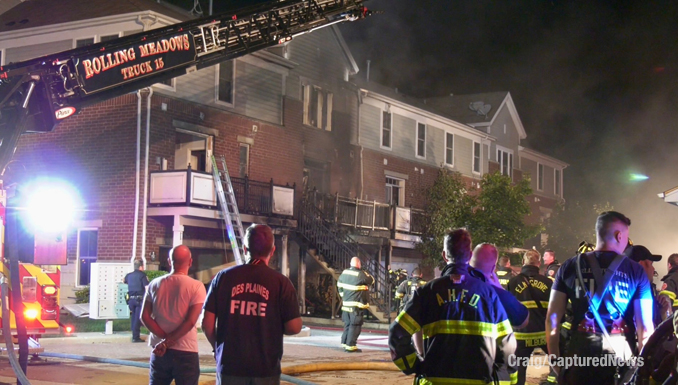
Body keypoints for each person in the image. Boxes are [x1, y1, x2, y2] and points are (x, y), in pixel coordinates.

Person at [389, 228, 517, 384]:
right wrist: (503, 378)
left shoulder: (427, 292)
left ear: (444, 255)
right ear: (470, 256)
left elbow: (397, 333)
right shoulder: (489, 294)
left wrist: (414, 365)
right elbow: (508, 344)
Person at [546, 211, 654, 385]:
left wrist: (555, 362)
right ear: (619, 236)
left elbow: (552, 319)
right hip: (621, 355)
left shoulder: (570, 266)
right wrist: (641, 366)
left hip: (580, 355)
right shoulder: (636, 271)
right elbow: (646, 328)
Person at [202, 224, 302, 384]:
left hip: (230, 367)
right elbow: (294, 327)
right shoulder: (281, 283)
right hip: (266, 369)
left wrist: (217, 349)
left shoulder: (222, 278)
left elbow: (207, 325)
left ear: (245, 249)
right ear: (273, 250)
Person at [141, 245, 206, 385]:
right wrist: (169, 341)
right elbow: (190, 321)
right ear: (190, 262)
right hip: (186, 351)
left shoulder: (154, 284)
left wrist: (164, 340)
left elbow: (144, 317)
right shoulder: (197, 286)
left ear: (169, 262)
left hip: (159, 352)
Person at [508, 249, 554, 385]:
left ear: (523, 262)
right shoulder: (548, 282)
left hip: (522, 336)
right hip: (544, 334)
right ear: (539, 264)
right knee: (559, 363)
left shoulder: (513, 282)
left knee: (518, 374)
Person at [470, 243, 529, 329]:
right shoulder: (496, 293)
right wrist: (500, 289)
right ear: (493, 267)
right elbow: (522, 320)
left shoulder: (451, 284)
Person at [625, 245, 671, 326]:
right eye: (651, 264)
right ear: (640, 265)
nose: (653, 269)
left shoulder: (622, 290)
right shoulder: (643, 294)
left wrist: (661, 312)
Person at [337, 256, 374, 353]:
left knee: (348, 325)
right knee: (355, 325)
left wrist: (343, 296)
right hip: (356, 306)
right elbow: (371, 280)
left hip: (346, 305)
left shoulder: (344, 273)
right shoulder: (360, 274)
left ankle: (345, 343)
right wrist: (365, 272)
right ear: (358, 264)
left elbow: (339, 286)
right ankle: (351, 346)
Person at [124, 259, 149, 343]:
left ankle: (134, 334)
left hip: (131, 300)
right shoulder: (142, 275)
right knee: (138, 318)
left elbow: (124, 280)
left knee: (134, 317)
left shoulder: (129, 275)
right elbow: (147, 287)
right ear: (141, 267)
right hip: (139, 299)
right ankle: (135, 337)